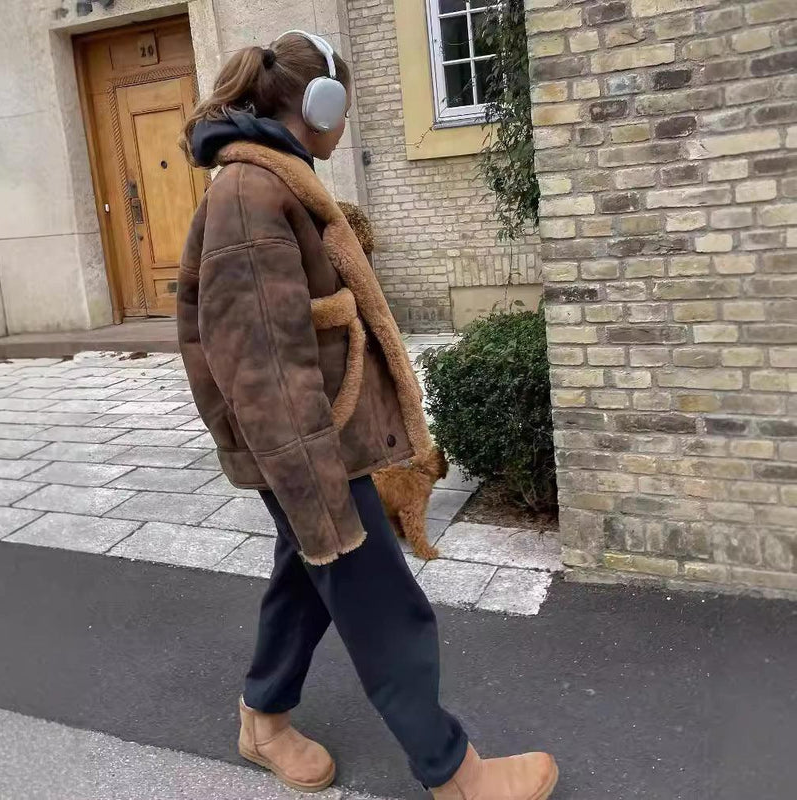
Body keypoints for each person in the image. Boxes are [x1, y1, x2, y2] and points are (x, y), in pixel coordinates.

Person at [177, 30, 558, 800]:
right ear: (322, 105)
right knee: (382, 603)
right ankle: (454, 773)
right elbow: (264, 370)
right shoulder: (250, 196)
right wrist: (318, 492)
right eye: (344, 104)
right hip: (307, 449)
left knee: (304, 576)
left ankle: (263, 719)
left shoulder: (278, 180)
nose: (346, 121)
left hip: (320, 439)